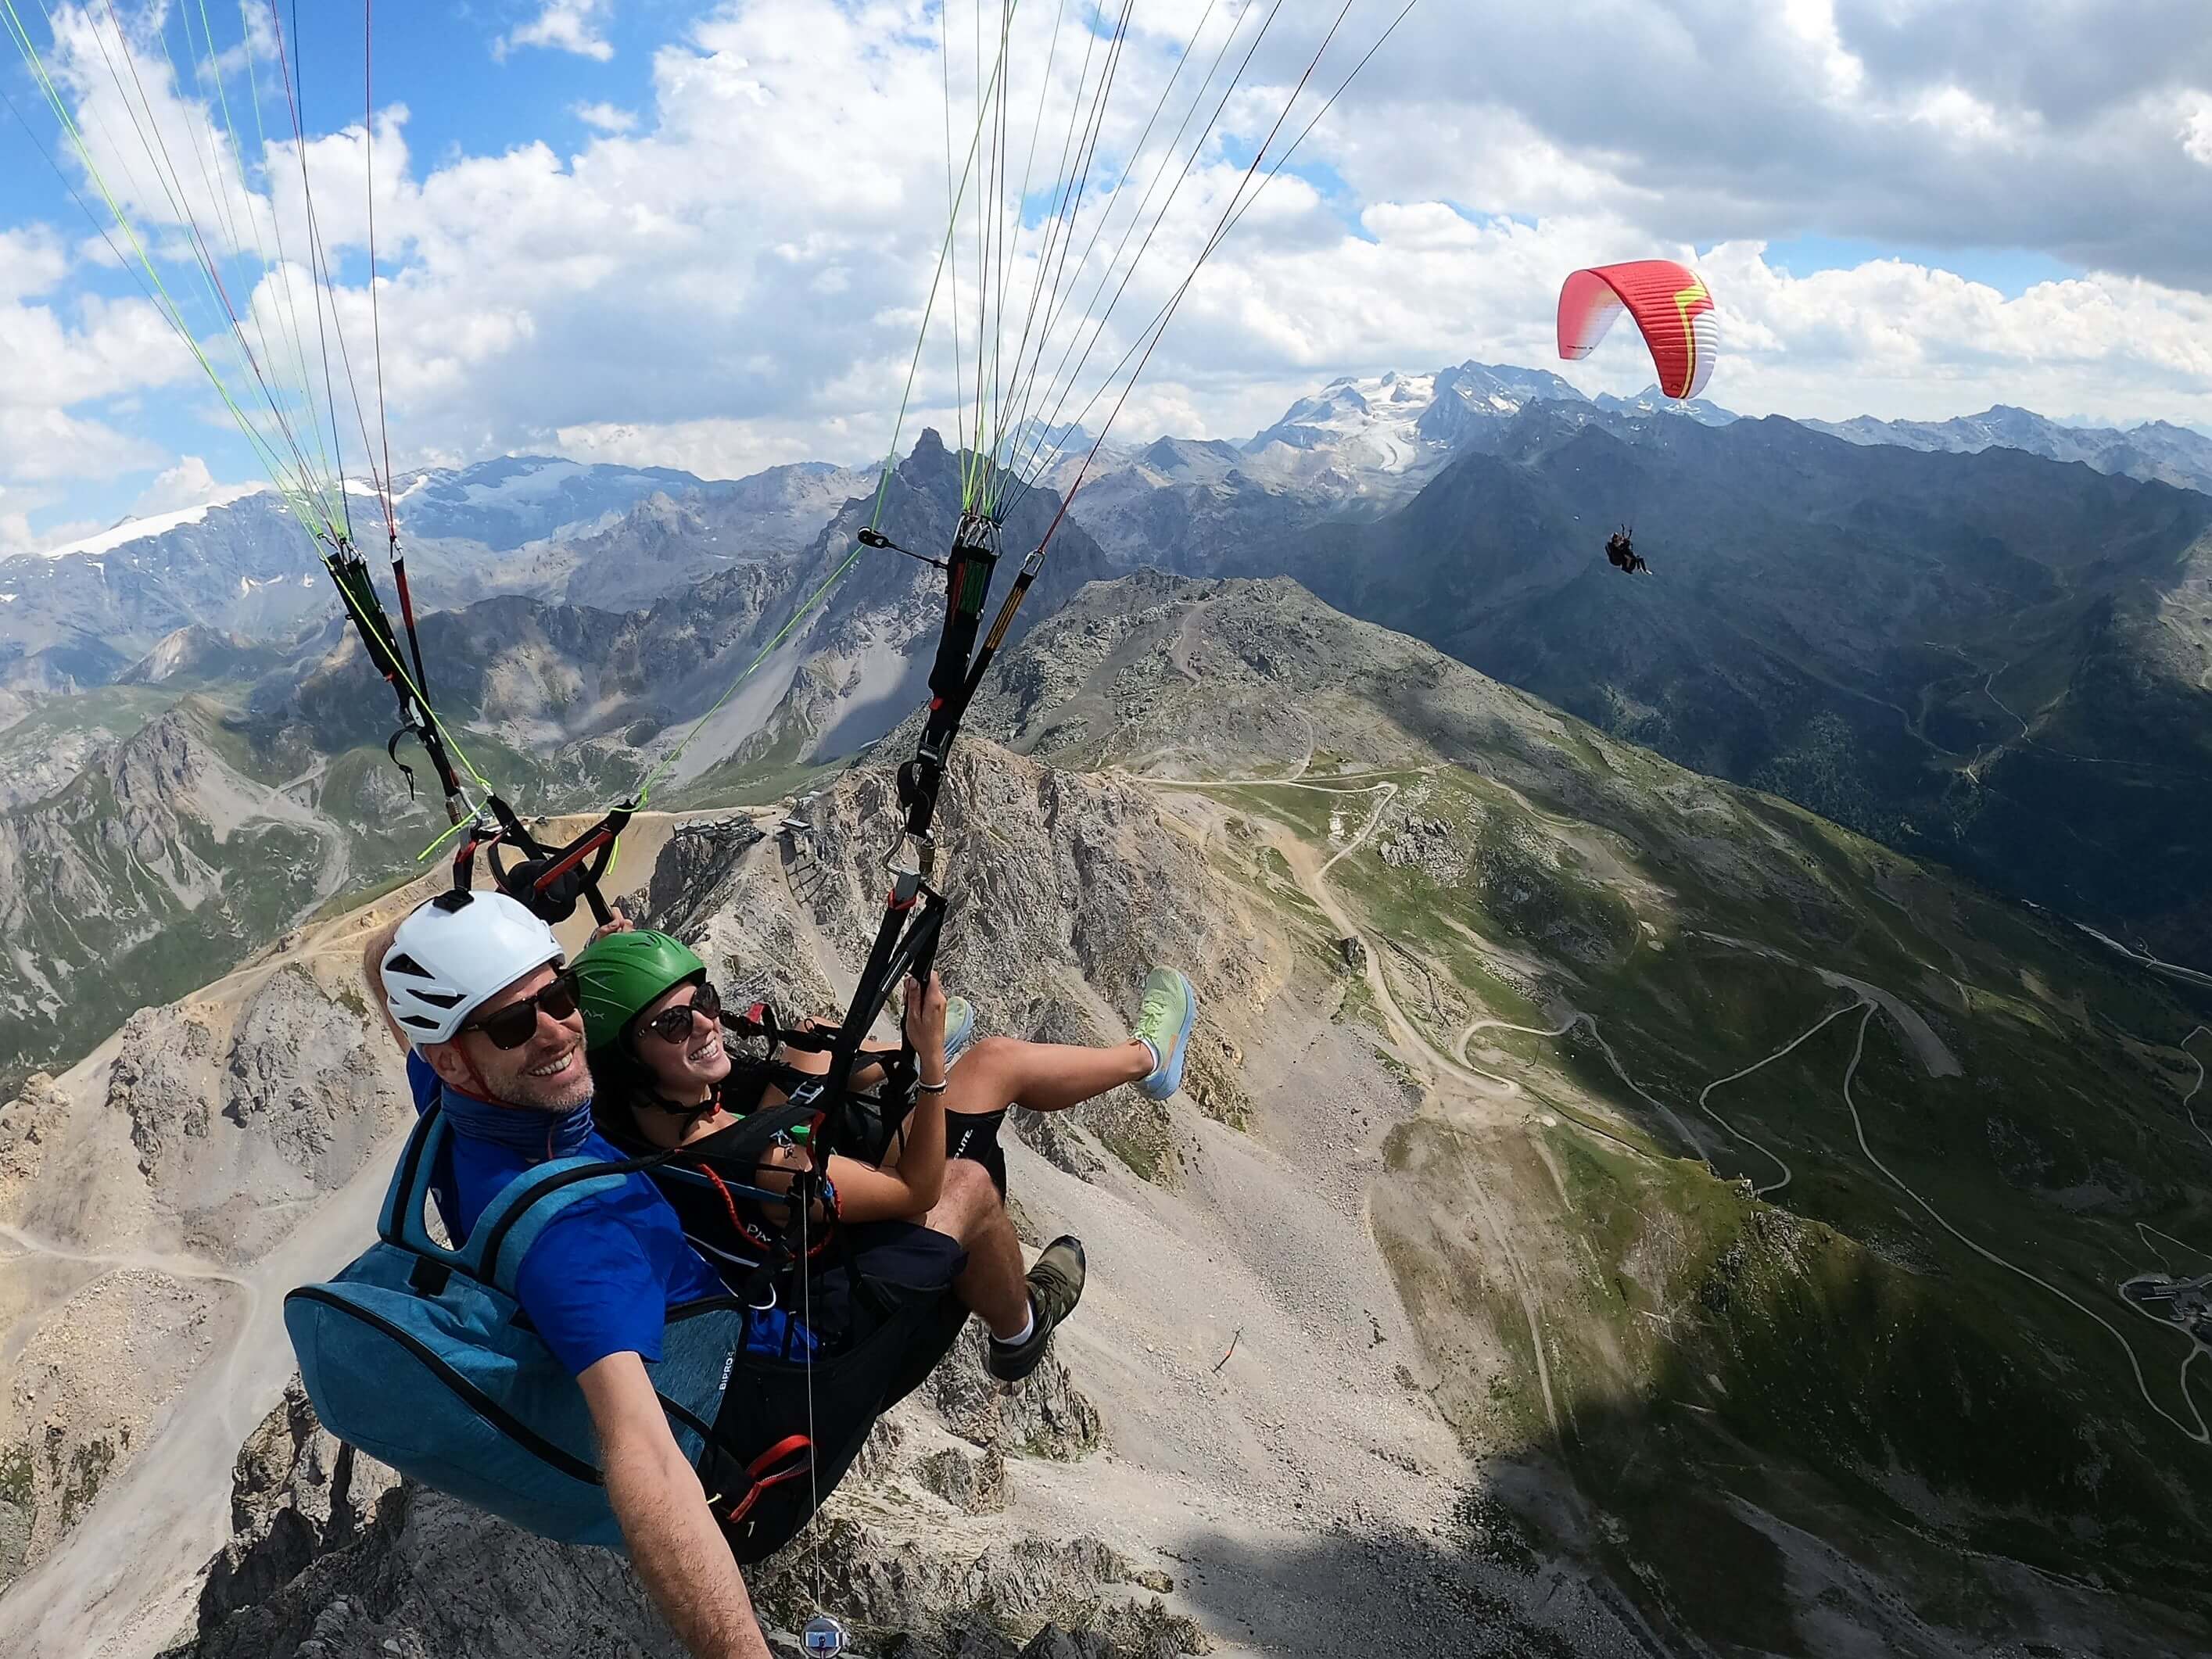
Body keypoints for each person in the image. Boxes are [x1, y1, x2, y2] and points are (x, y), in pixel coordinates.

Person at [569, 920, 1199, 1384]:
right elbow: (915, 1191)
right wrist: (928, 1068)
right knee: (991, 1071)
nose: (707, 1024)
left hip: (754, 1233)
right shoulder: (767, 1164)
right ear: (628, 1061)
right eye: (675, 1024)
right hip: (835, 1309)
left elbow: (597, 1039)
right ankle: (1021, 1327)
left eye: (701, 1002)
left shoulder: (615, 1114)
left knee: (811, 1043)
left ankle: (885, 1060)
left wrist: (609, 962)